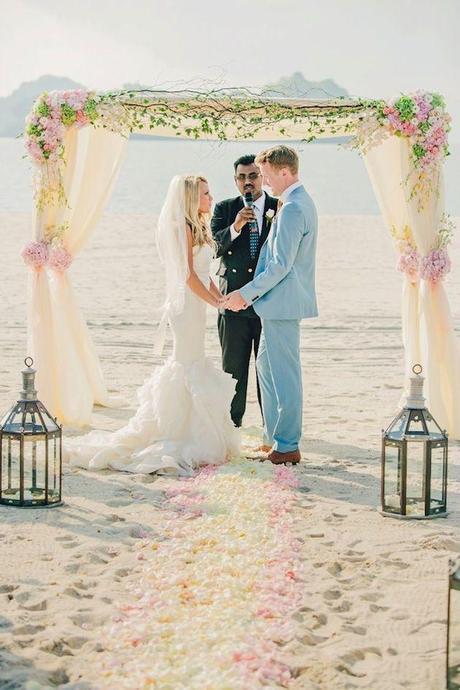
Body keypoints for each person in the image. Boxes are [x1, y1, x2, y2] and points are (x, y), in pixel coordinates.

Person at [65, 175, 239, 475]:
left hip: (197, 304)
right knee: (186, 363)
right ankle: (176, 430)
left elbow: (203, 272)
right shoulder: (181, 227)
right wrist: (215, 303)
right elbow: (187, 276)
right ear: (191, 198)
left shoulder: (197, 225)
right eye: (206, 193)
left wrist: (219, 298)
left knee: (194, 360)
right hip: (185, 306)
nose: (211, 198)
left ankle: (190, 427)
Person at [225, 146, 318, 465]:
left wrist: (245, 294)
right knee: (266, 367)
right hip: (276, 305)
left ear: (284, 172)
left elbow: (280, 265)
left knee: (285, 375)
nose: (263, 182)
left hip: (283, 304)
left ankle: (288, 444)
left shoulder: (293, 208)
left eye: (265, 175)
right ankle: (272, 438)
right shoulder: (296, 202)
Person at [211, 155, 278, 429]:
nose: (248, 182)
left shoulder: (279, 206)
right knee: (233, 372)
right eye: (242, 177)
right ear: (235, 180)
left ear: (262, 176)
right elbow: (213, 247)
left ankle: (270, 426)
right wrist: (236, 227)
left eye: (253, 176)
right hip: (233, 303)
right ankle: (231, 426)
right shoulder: (224, 209)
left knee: (268, 372)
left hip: (268, 303)